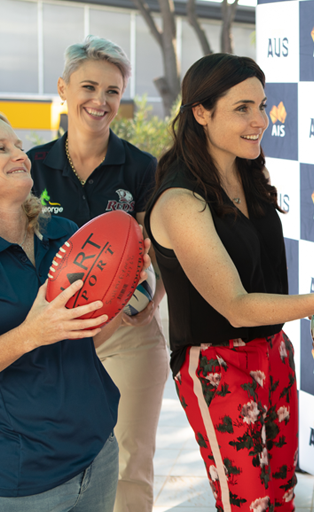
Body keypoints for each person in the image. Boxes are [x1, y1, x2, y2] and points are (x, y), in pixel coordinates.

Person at [143, 53, 314, 512]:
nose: (261, 120)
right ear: (201, 112)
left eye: (263, 106)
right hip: (217, 367)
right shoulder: (181, 200)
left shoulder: (248, 172)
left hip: (274, 353)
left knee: (282, 498)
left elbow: (263, 278)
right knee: (249, 505)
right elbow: (237, 306)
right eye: (242, 108)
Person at [27, 35, 169, 512]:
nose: (101, 101)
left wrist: (155, 297)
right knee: (61, 468)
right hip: (55, 335)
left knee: (130, 466)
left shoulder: (142, 167)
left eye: (113, 90)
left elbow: (161, 250)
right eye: (89, 87)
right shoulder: (31, 168)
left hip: (126, 331)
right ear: (64, 89)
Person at [0, 113, 150, 510]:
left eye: (17, 145)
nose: (20, 154)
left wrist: (123, 288)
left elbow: (91, 336)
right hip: (24, 477)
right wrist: (31, 334)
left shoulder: (64, 233)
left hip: (96, 452)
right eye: (2, 149)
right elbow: (38, 334)